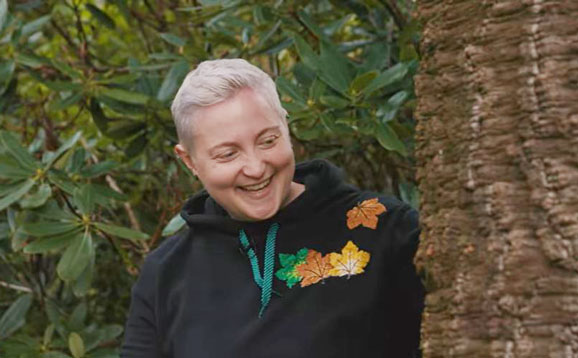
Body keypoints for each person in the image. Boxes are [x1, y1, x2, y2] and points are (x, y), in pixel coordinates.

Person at [121, 59, 424, 358]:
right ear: (189, 161)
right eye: (228, 154)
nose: (255, 168)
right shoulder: (166, 273)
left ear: (286, 126)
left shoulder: (385, 228)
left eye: (268, 140)